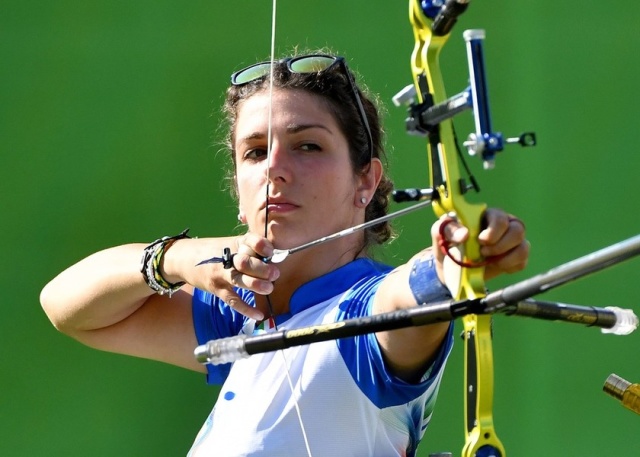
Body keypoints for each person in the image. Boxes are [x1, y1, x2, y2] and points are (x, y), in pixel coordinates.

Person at [40, 52, 529, 457]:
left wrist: (459, 252)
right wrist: (178, 257)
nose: (274, 168)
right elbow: (67, 308)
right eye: (254, 151)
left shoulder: (364, 317)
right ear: (237, 191)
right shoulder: (245, 315)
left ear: (366, 181)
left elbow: (412, 295)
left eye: (308, 146)